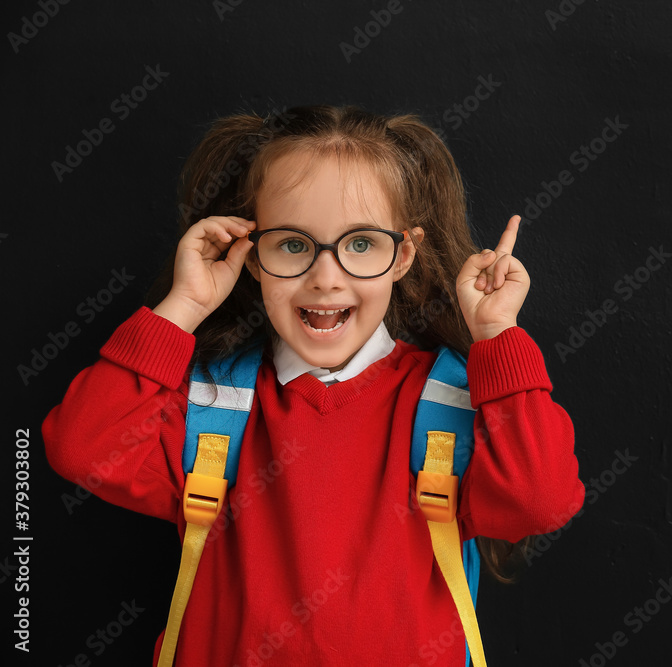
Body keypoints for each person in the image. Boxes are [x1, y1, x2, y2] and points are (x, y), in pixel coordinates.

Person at [42, 105, 585, 665]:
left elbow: (539, 500)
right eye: (294, 245)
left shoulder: (450, 401)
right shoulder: (212, 406)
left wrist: (497, 337)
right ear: (251, 257)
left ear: (403, 255)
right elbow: (81, 448)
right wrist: (183, 307)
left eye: (360, 244)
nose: (326, 277)